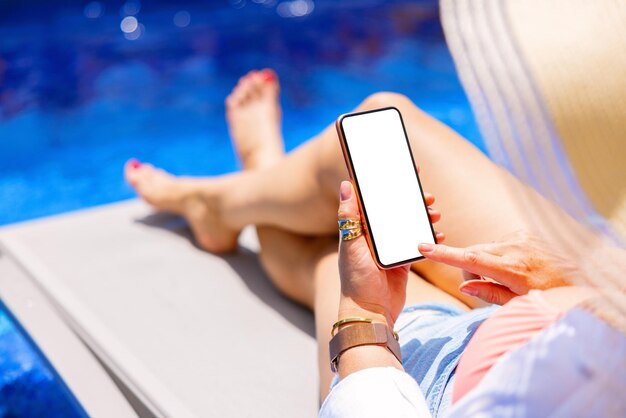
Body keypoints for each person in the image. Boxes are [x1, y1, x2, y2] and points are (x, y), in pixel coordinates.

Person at [125, 69, 625, 414]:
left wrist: (364, 317)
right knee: (382, 132)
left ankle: (237, 190)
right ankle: (252, 187)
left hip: (437, 389)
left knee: (330, 253)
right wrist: (586, 282)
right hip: (574, 305)